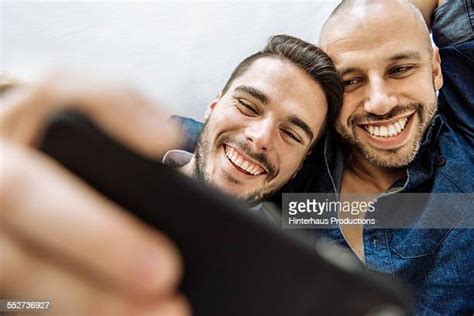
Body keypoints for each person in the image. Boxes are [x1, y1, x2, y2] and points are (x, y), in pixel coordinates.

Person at [0, 35, 342, 314]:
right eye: (248, 106)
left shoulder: (293, 249)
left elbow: (386, 213)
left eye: (292, 134)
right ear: (213, 106)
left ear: (303, 160)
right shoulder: (104, 172)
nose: (261, 138)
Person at [284, 0, 473, 313]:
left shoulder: (465, 134)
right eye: (351, 81)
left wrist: (395, 14)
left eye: (399, 69)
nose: (380, 103)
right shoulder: (293, 160)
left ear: (436, 70)